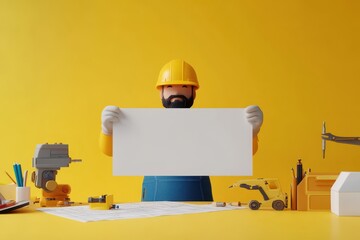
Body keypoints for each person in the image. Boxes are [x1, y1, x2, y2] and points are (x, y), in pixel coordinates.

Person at [100, 59, 263, 201]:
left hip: (198, 198)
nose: (177, 93)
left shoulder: (208, 124)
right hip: (153, 199)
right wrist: (107, 131)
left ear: (194, 93)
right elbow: (113, 152)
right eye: (170, 86)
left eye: (185, 86)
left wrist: (251, 133)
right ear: (161, 93)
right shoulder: (146, 125)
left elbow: (235, 152)